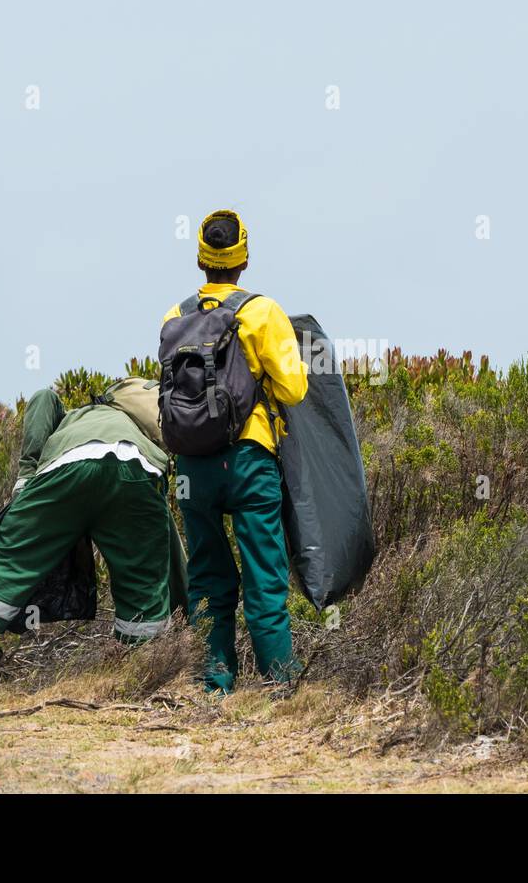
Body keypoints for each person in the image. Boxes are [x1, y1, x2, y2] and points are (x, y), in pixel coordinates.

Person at [0, 383, 177, 682]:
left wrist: (26, 476)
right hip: (136, 466)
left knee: (4, 571)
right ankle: (141, 673)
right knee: (143, 581)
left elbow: (43, 396)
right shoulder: (137, 425)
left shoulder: (70, 416)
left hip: (65, 468)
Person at [161, 209, 308, 693]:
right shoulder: (261, 312)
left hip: (192, 466)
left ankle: (214, 682)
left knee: (206, 576)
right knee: (264, 574)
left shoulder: (175, 317)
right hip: (248, 458)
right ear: (243, 258)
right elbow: (293, 390)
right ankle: (278, 685)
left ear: (201, 260)